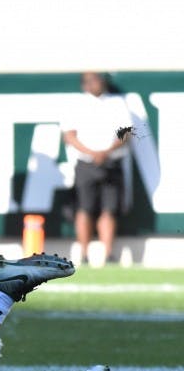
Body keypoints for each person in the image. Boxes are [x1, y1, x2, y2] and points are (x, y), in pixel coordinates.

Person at [62, 72, 133, 266]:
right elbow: (69, 135)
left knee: (109, 209)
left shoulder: (116, 102)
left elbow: (127, 132)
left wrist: (107, 151)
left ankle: (108, 254)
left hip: (111, 161)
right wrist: (92, 153)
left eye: (99, 79)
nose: (97, 83)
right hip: (86, 162)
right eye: (92, 80)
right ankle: (83, 254)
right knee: (84, 208)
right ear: (84, 84)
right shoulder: (76, 104)